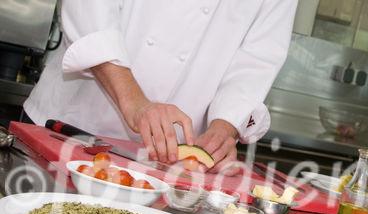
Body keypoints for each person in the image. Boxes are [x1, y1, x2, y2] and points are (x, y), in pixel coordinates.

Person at [24, 0, 298, 172]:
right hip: (71, 129)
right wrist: (135, 102)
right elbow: (90, 8)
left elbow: (257, 58)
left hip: (169, 162)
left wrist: (223, 128)